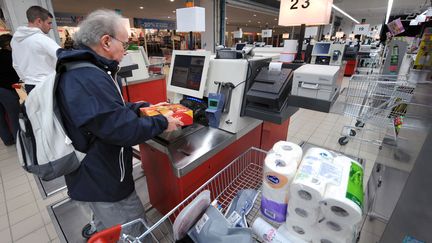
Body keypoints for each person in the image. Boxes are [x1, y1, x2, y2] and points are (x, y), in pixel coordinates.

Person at [55, 9, 183, 238]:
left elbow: (106, 114)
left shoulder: (84, 70)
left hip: (91, 174)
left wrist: (139, 108)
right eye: (124, 43)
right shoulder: (88, 77)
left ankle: (103, 233)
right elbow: (122, 130)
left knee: (107, 223)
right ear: (106, 41)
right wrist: (162, 122)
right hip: (104, 180)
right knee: (134, 229)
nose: (126, 50)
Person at [11, 5, 60, 94]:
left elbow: (15, 65)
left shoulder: (15, 40)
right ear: (39, 21)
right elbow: (62, 57)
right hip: (46, 85)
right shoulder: (41, 39)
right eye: (49, 23)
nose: (51, 27)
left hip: (29, 86)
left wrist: (27, 79)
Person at [0, 34, 20, 146]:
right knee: (14, 116)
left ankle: (7, 140)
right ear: (8, 45)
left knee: (1, 118)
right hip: (6, 90)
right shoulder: (11, 56)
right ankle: (19, 141)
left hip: (3, 88)